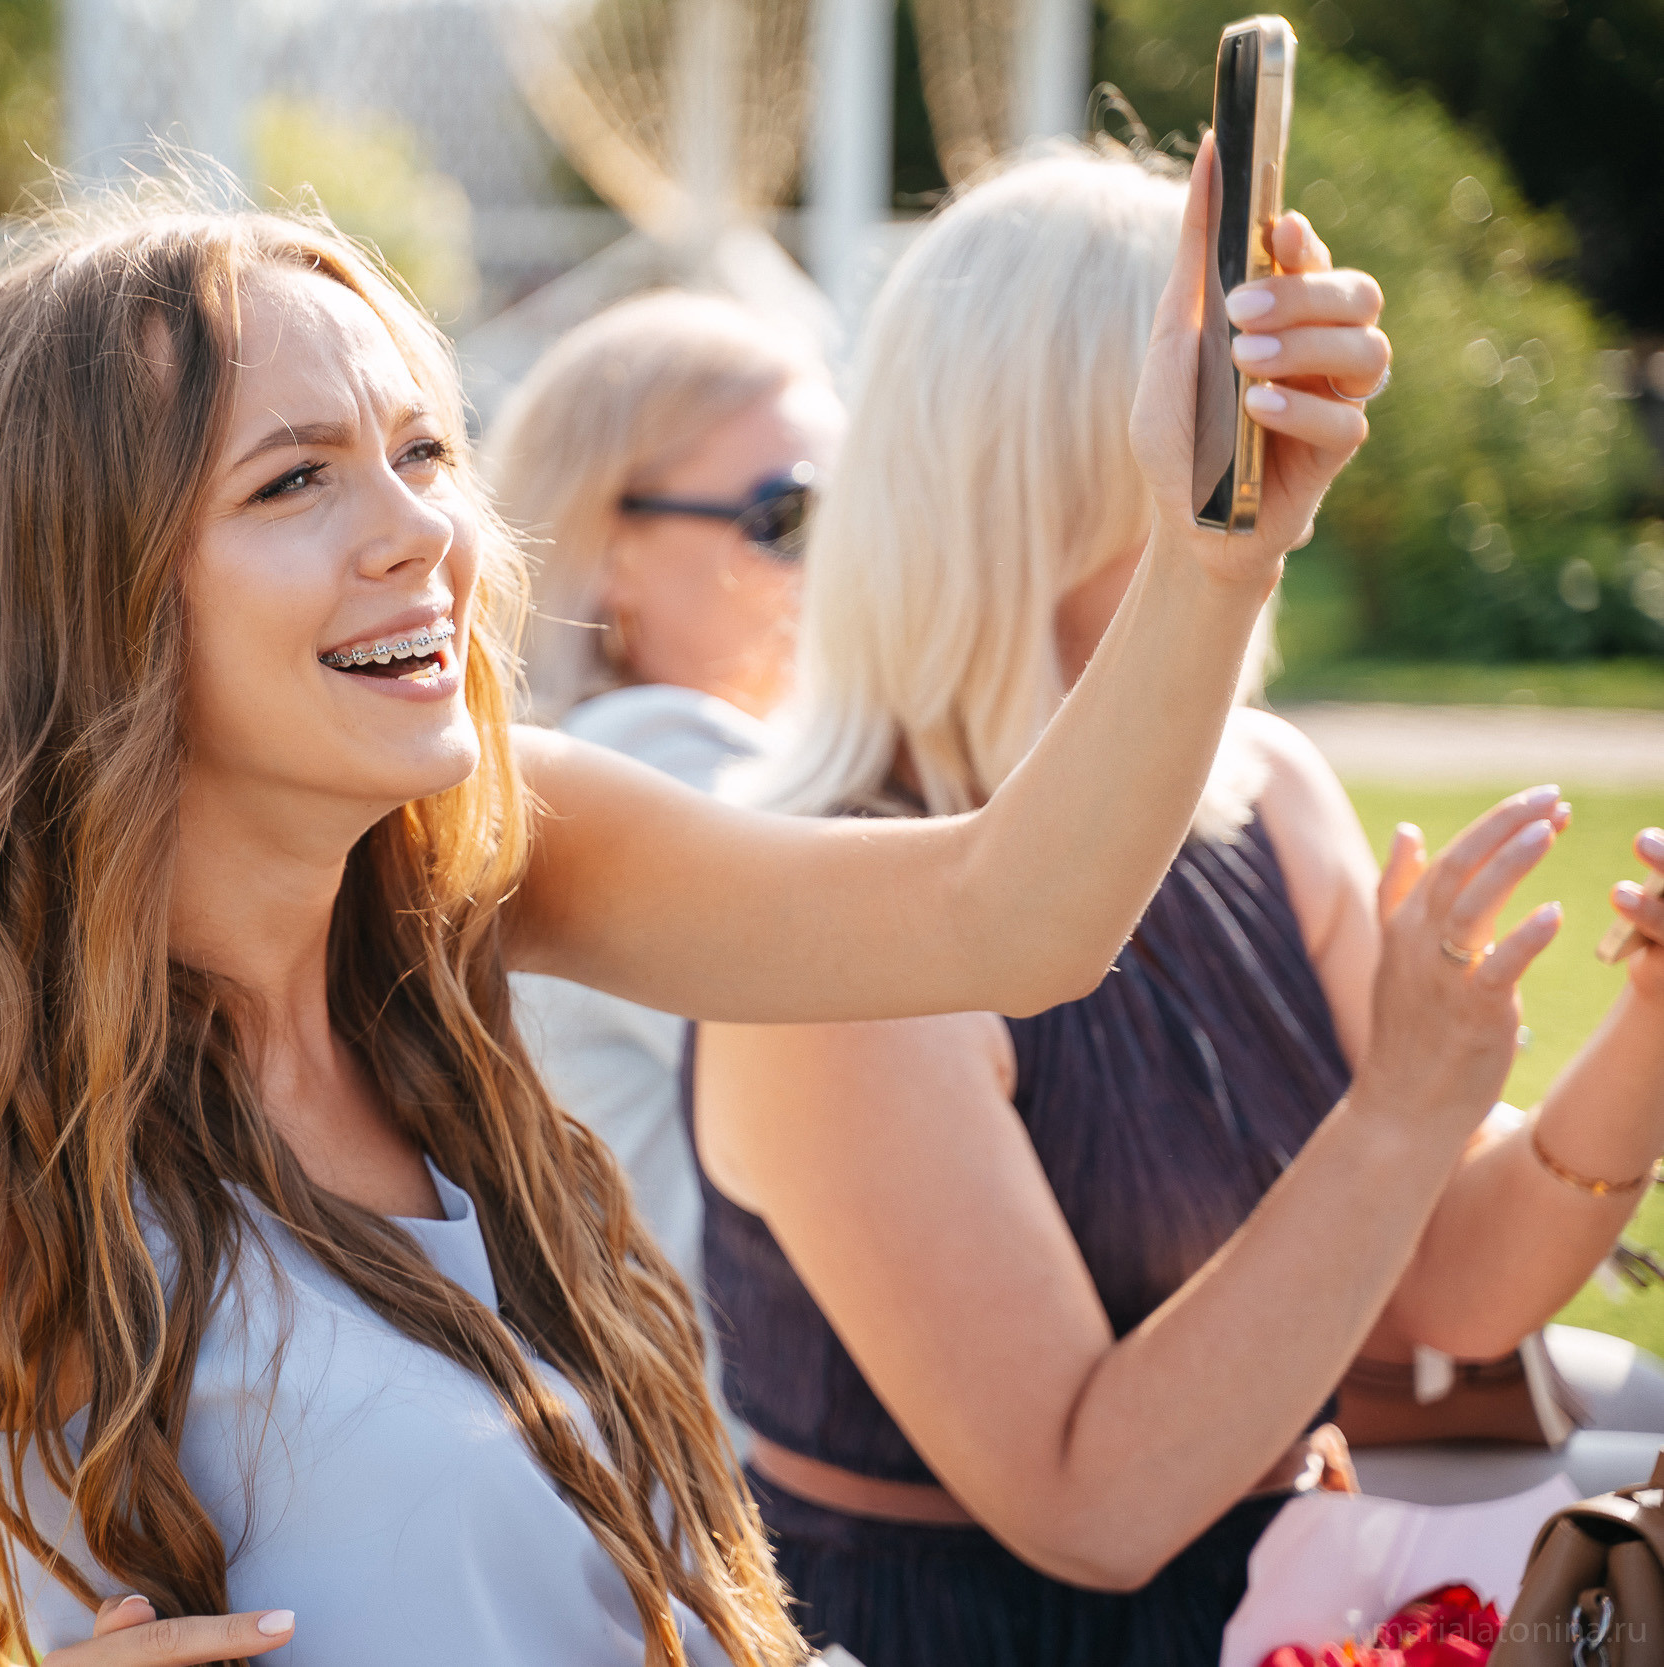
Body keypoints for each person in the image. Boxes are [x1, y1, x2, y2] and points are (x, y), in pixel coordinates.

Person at [0, 149, 1407, 1667]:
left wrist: (1214, 540)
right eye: (296, 483)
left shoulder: (483, 883)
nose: (423, 535)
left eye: (422, 450)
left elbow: (1007, 910)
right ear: (91, 594)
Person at [692, 143, 1664, 1667]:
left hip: (1306, 1605)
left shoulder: (1260, 793)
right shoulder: (832, 927)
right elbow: (1092, 1502)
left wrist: (1648, 1025)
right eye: (1231, 392)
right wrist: (1400, 1104)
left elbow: (1449, 1291)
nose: (1292, 450)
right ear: (1065, 453)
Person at [496, 291, 844, 1292]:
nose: (843, 556)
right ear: (608, 553)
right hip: (727, 1435)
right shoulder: (649, 754)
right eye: (790, 515)